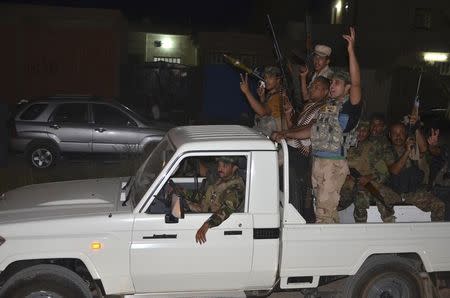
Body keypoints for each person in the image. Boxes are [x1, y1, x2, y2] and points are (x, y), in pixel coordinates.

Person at [271, 76, 330, 222]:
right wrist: (289, 115)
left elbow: (312, 129)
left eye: (316, 87)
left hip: (302, 158)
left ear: (326, 92)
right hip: (291, 152)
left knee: (298, 194)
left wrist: (285, 133)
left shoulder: (325, 108)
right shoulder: (309, 106)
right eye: (311, 86)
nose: (311, 89)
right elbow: (295, 130)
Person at [171, 156, 245, 244]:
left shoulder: (236, 188)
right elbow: (203, 197)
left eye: (224, 166)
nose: (219, 169)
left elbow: (226, 210)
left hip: (215, 224)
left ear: (234, 168)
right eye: (219, 165)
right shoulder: (220, 180)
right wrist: (182, 191)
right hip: (203, 212)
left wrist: (206, 225)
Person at [384, 122, 445, 221]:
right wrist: (407, 151)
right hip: (395, 192)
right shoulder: (386, 150)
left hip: (413, 191)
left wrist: (416, 127)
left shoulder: (413, 147)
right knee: (382, 203)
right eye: (395, 133)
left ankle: (435, 234)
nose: (398, 136)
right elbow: (394, 171)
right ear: (390, 135)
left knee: (439, 205)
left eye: (401, 133)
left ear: (406, 134)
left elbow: (424, 149)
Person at [339, 121, 396, 222]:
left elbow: (384, 172)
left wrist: (369, 177)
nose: (361, 133)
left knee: (380, 199)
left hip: (367, 186)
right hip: (346, 188)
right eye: (358, 130)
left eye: (364, 130)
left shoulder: (372, 149)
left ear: (368, 132)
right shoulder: (343, 147)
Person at [240, 66, 285, 135]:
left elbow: (263, 112)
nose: (266, 80)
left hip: (275, 139)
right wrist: (262, 98)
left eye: (270, 77)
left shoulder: (279, 96)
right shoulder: (272, 94)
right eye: (265, 77)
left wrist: (247, 92)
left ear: (278, 80)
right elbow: (267, 110)